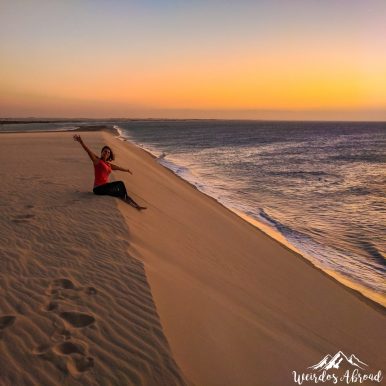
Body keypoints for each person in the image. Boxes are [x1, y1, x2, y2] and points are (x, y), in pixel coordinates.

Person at [73, 134, 146, 210]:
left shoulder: (108, 164)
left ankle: (135, 205)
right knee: (120, 184)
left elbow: (117, 167)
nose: (106, 153)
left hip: (105, 186)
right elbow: (88, 151)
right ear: (102, 152)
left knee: (119, 190)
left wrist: (126, 170)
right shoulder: (97, 160)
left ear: (109, 155)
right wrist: (81, 142)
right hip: (98, 188)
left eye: (108, 153)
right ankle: (128, 200)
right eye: (105, 151)